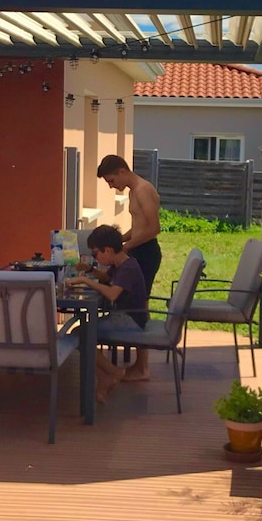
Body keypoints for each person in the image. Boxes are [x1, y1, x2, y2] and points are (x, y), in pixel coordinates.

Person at [65, 224, 148, 403]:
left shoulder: (127, 268)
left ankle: (112, 373)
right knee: (83, 332)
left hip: (131, 320)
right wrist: (90, 270)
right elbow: (108, 279)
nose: (95, 257)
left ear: (108, 250)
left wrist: (84, 280)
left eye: (95, 253)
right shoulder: (121, 263)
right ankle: (106, 377)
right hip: (126, 316)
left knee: (81, 333)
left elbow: (111, 293)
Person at [96, 154, 161, 381]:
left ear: (121, 171)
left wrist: (125, 249)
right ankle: (139, 364)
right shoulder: (135, 191)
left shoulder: (143, 190)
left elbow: (153, 228)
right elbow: (139, 226)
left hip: (146, 252)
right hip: (138, 248)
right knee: (138, 305)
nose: (113, 187)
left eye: (112, 181)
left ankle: (143, 368)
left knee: (139, 306)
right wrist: (120, 240)